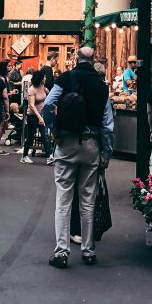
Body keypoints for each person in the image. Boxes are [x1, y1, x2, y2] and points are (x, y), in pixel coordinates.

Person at [42, 46, 114, 268]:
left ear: (77, 58)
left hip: (67, 142)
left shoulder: (66, 78)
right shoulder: (102, 87)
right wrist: (106, 152)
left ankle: (62, 252)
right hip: (91, 144)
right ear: (93, 61)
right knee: (87, 199)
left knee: (63, 199)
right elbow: (107, 125)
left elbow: (48, 104)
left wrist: (53, 129)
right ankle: (88, 250)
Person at [21, 70, 53, 165]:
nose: (45, 78)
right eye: (44, 77)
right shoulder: (31, 90)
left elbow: (46, 97)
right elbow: (31, 105)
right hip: (32, 116)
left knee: (44, 135)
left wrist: (47, 92)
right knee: (30, 136)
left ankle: (49, 156)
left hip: (41, 114)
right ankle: (24, 156)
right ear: (40, 79)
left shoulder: (42, 87)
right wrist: (39, 117)